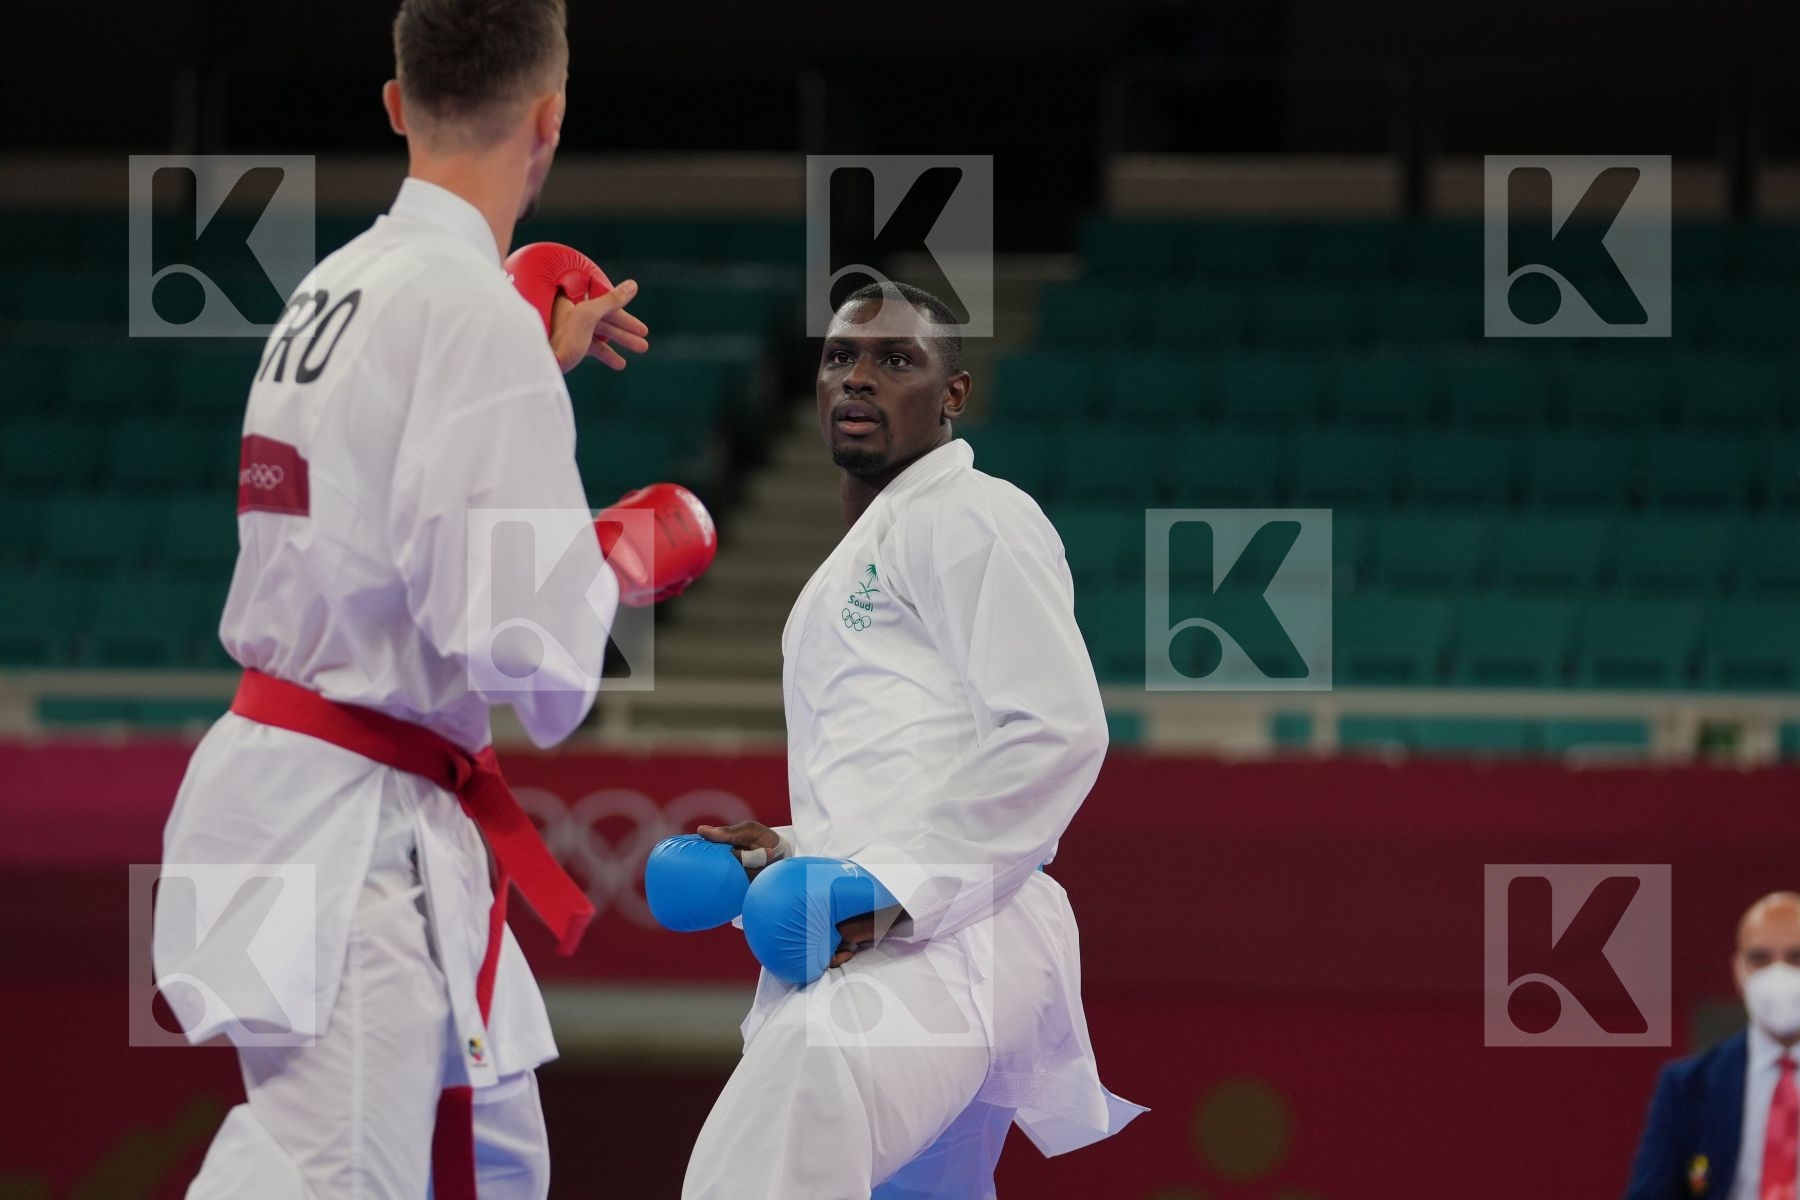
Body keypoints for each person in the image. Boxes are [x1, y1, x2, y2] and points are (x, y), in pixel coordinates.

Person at [151, 1, 715, 1196]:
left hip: (291, 790)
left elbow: (373, 497)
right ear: (550, 119)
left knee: (499, 1155)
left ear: (400, 105)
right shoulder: (468, 320)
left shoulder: (336, 286)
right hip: (347, 835)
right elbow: (524, 662)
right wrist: (605, 561)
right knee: (330, 1171)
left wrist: (525, 376)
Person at [673, 281, 1144, 1198]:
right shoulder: (865, 548)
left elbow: (1055, 731)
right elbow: (904, 772)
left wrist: (884, 889)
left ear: (953, 395)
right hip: (910, 938)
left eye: (897, 360)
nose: (859, 377)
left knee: (775, 1142)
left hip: (947, 943)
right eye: (840, 357)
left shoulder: (971, 514)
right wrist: (790, 851)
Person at [1626, 892, 1800, 1200]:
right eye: (1760, 959)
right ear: (1738, 970)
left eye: (1796, 958)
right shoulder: (1688, 1087)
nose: (1778, 974)